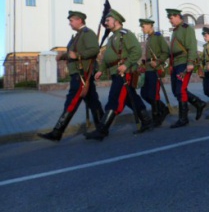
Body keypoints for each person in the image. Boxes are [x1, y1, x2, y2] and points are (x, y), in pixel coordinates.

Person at [85, 9, 153, 141]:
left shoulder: (125, 34)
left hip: (124, 73)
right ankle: (147, 121)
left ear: (116, 21)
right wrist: (101, 70)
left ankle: (102, 130)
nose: (105, 23)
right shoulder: (111, 37)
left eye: (108, 20)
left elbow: (136, 51)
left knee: (114, 99)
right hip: (116, 72)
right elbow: (107, 58)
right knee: (130, 98)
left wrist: (126, 65)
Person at [38, 11, 104, 142]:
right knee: (93, 102)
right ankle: (102, 129)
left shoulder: (87, 33)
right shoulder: (76, 36)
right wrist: (63, 56)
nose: (69, 23)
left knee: (71, 102)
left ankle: (57, 132)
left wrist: (78, 56)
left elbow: (94, 50)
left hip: (81, 75)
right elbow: (72, 53)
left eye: (71, 21)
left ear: (79, 20)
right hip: (79, 74)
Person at [167, 8, 206, 128]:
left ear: (178, 17)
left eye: (171, 18)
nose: (170, 20)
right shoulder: (176, 30)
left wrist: (190, 62)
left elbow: (191, 46)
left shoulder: (186, 28)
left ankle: (183, 118)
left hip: (184, 62)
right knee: (175, 90)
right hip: (176, 63)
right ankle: (199, 103)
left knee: (180, 90)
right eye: (169, 18)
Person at [139, 18, 170, 127]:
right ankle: (163, 109)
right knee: (144, 94)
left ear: (150, 25)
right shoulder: (149, 38)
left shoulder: (158, 37)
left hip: (154, 69)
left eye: (143, 26)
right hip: (147, 69)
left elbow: (166, 51)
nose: (142, 28)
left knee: (153, 94)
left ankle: (156, 117)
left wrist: (158, 61)